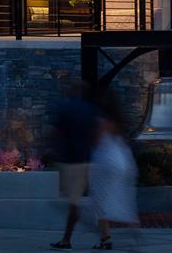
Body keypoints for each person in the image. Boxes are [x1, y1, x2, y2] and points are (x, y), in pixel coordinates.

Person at [49, 81, 99, 250]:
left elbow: (56, 131)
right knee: (73, 199)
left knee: (73, 201)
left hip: (70, 159)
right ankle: (68, 237)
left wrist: (55, 150)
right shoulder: (90, 109)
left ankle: (67, 239)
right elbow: (95, 134)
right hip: (86, 157)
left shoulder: (65, 107)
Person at [87, 92, 138, 251]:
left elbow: (96, 140)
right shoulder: (119, 121)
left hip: (106, 161)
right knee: (123, 199)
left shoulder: (102, 120)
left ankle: (105, 238)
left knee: (100, 200)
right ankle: (134, 235)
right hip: (123, 159)